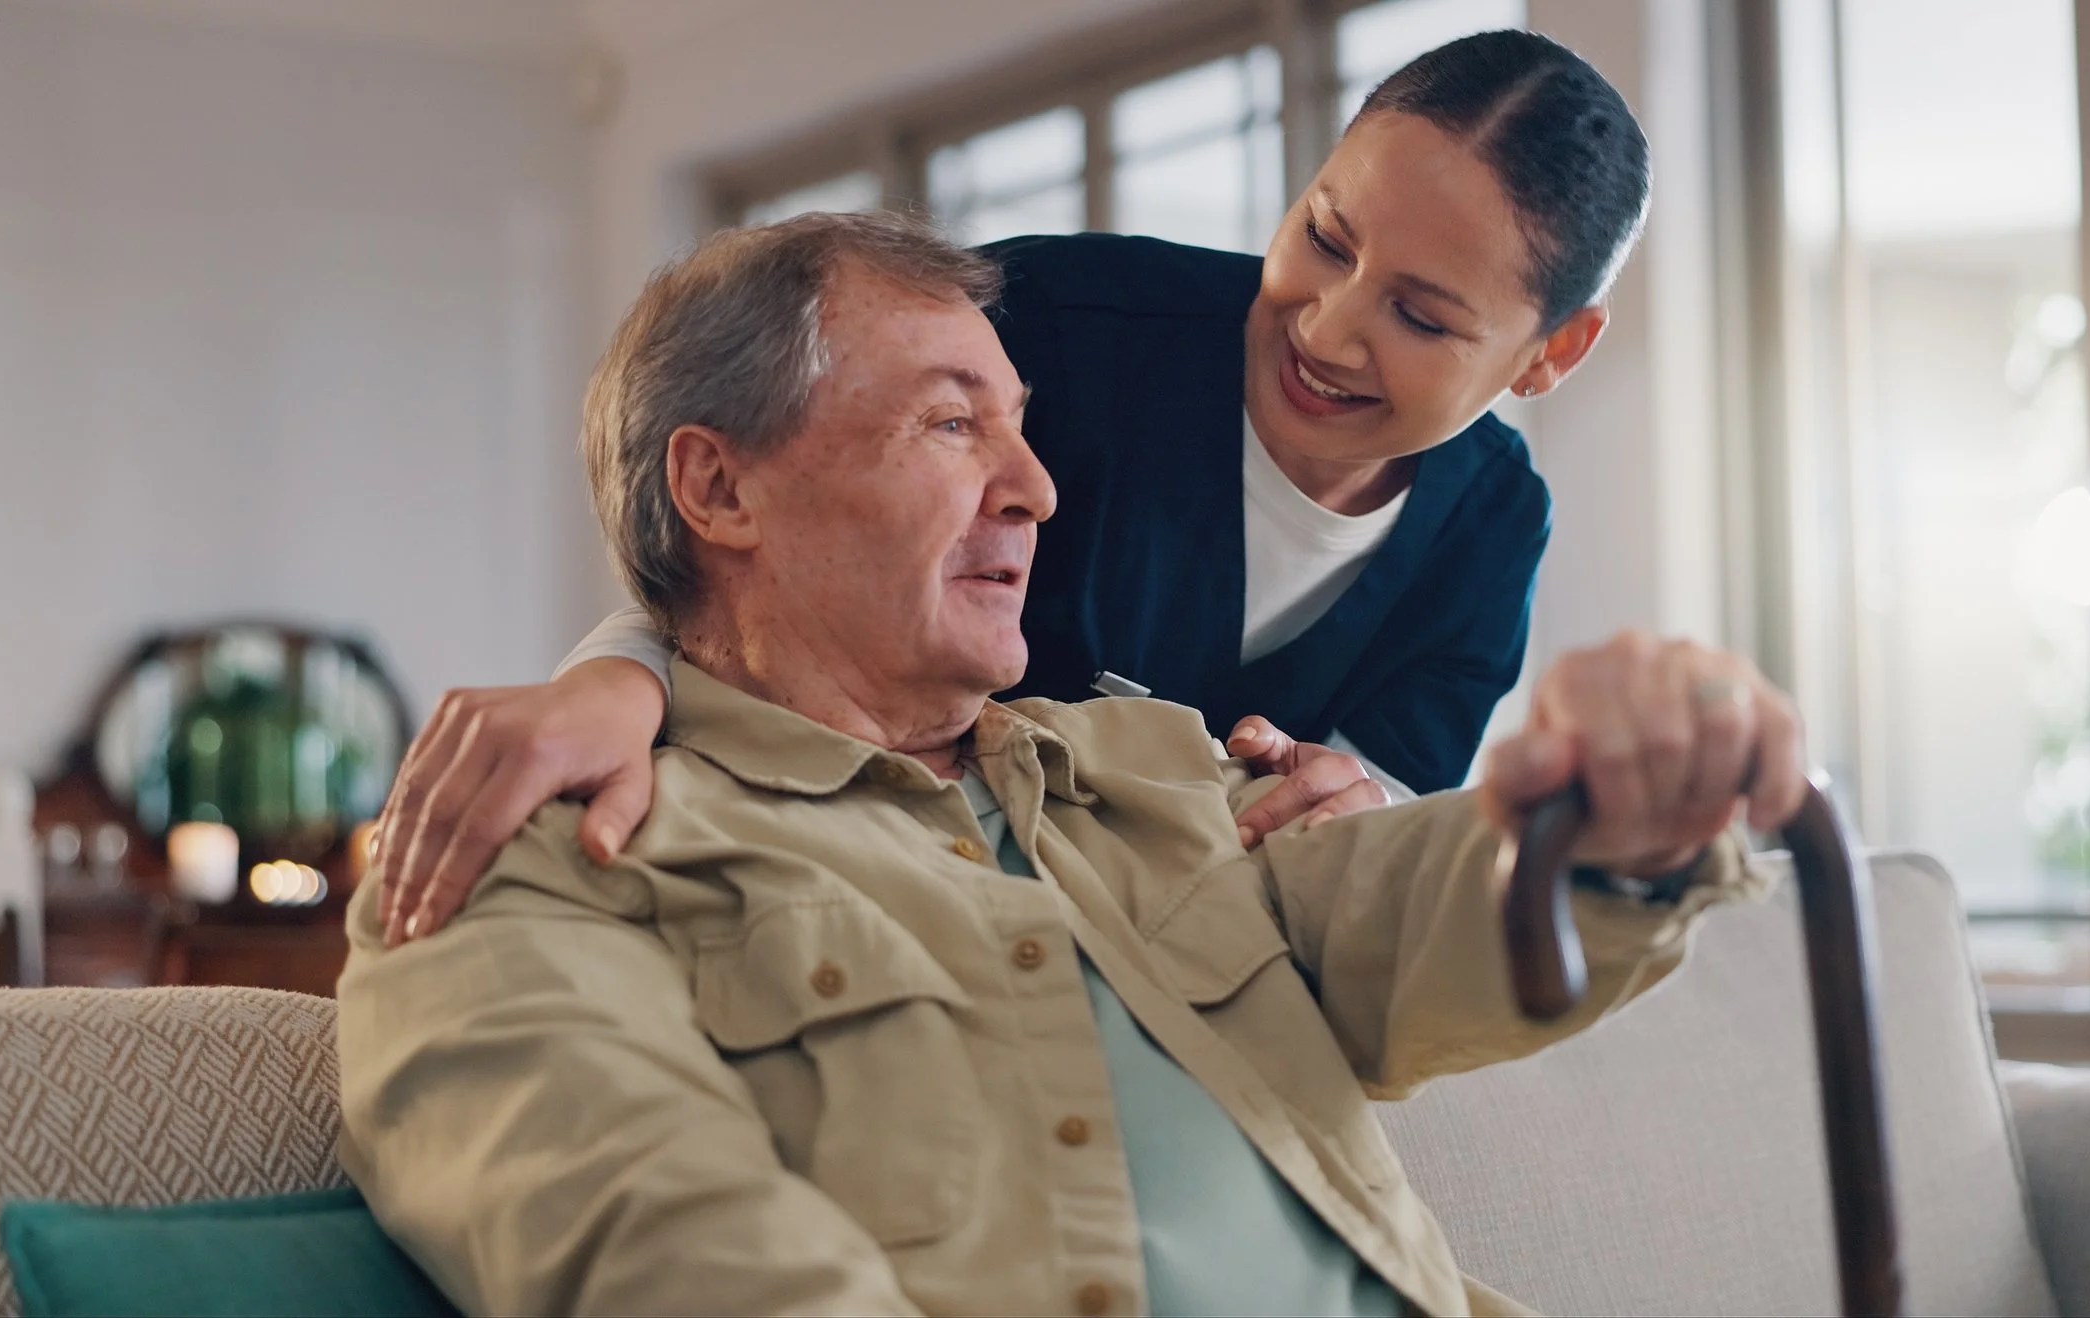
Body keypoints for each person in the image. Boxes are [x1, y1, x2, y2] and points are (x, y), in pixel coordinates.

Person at [338, 210, 1800, 1317]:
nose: (1036, 489)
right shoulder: (529, 845)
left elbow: (1408, 916)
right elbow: (655, 1242)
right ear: (720, 486)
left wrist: (1612, 812)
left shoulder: (1147, 763)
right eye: (953, 424)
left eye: (1023, 429)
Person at [371, 29, 1656, 946]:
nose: (1324, 328)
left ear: (1549, 354)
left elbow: (1370, 849)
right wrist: (618, 677)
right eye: (1323, 235)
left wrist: (1368, 812)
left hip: (1157, 979)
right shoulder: (1055, 324)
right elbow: (751, 500)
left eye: (1421, 317)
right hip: (870, 905)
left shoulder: (1489, 526)